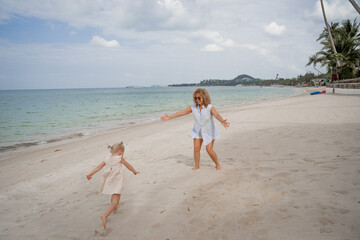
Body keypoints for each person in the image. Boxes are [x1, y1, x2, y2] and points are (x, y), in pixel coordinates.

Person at [160, 88, 230, 170]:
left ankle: (217, 164)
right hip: (197, 131)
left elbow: (216, 115)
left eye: (199, 98)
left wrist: (221, 120)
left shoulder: (209, 107)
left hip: (209, 131)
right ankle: (196, 166)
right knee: (196, 149)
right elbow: (183, 112)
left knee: (209, 150)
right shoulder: (193, 107)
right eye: (195, 98)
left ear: (204, 97)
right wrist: (170, 117)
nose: (197, 100)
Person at [86, 142, 139, 229]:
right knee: (115, 200)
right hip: (117, 181)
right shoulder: (120, 158)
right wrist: (134, 171)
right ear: (120, 152)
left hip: (109, 180)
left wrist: (90, 174)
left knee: (114, 195)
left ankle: (114, 208)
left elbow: (98, 168)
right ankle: (105, 215)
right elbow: (128, 166)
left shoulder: (106, 158)